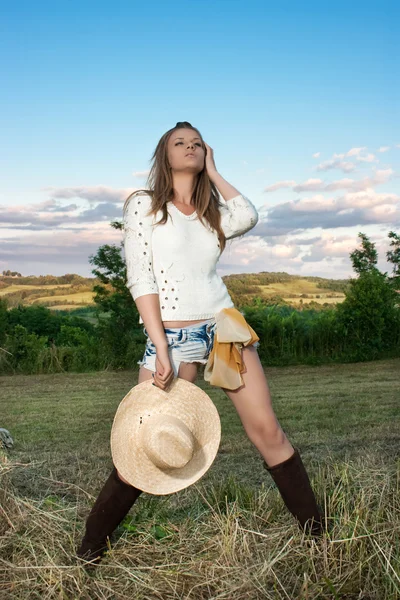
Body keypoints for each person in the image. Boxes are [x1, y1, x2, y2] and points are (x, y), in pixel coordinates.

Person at [76, 121, 324, 567]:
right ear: (163, 154)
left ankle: (319, 537)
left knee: (269, 432)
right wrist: (160, 346)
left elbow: (248, 213)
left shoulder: (214, 214)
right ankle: (90, 551)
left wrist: (214, 169)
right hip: (171, 335)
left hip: (224, 328)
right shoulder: (143, 206)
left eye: (197, 143)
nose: (189, 147)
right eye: (180, 143)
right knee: (146, 441)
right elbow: (141, 277)